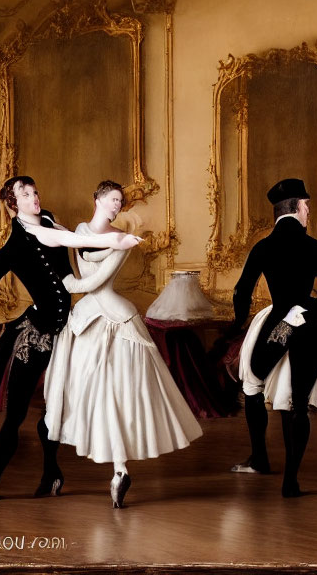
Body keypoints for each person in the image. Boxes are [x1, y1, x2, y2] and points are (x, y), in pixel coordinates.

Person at [0, 175, 141, 501]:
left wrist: (106, 244)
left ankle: (52, 473)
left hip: (65, 330)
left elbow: (70, 255)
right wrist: (116, 243)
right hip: (34, 335)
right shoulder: (20, 240)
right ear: (13, 204)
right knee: (17, 415)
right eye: (25, 194)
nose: (33, 196)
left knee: (56, 409)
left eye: (34, 190)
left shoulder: (49, 220)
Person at [44, 180, 203, 508]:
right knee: (81, 395)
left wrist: (66, 281)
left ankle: (119, 470)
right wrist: (111, 243)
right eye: (112, 199)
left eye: (120, 202)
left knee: (116, 395)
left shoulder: (121, 240)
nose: (117, 205)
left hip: (114, 318)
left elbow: (93, 282)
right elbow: (83, 249)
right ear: (97, 198)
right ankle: (55, 470)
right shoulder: (81, 230)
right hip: (87, 319)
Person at [230, 178, 317, 497]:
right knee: (298, 403)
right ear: (298, 207)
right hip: (305, 319)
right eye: (307, 206)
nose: (309, 211)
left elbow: (242, 289)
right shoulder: (313, 247)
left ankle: (259, 458)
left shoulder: (263, 246)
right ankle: (291, 482)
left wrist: (237, 323)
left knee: (253, 382)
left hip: (280, 324)